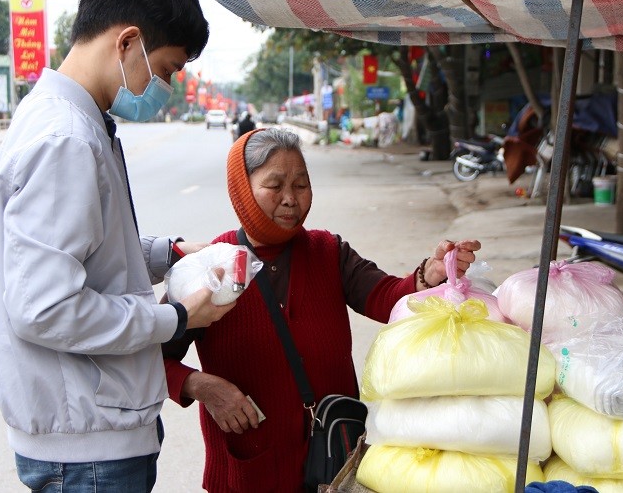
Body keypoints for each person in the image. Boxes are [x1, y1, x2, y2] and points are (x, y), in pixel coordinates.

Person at [0, 0, 234, 491]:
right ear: (128, 42)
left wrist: (169, 252)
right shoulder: (66, 139)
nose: (163, 86)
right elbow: (46, 307)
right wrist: (174, 317)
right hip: (88, 447)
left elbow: (88, 250)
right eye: (165, 69)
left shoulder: (72, 121)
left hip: (93, 431)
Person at [161, 128, 481, 491]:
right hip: (250, 472)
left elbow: (388, 296)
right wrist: (201, 386)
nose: (290, 199)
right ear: (241, 187)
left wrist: (430, 274)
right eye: (275, 185)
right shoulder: (207, 268)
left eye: (301, 184)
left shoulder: (328, 251)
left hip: (334, 467)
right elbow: (150, 356)